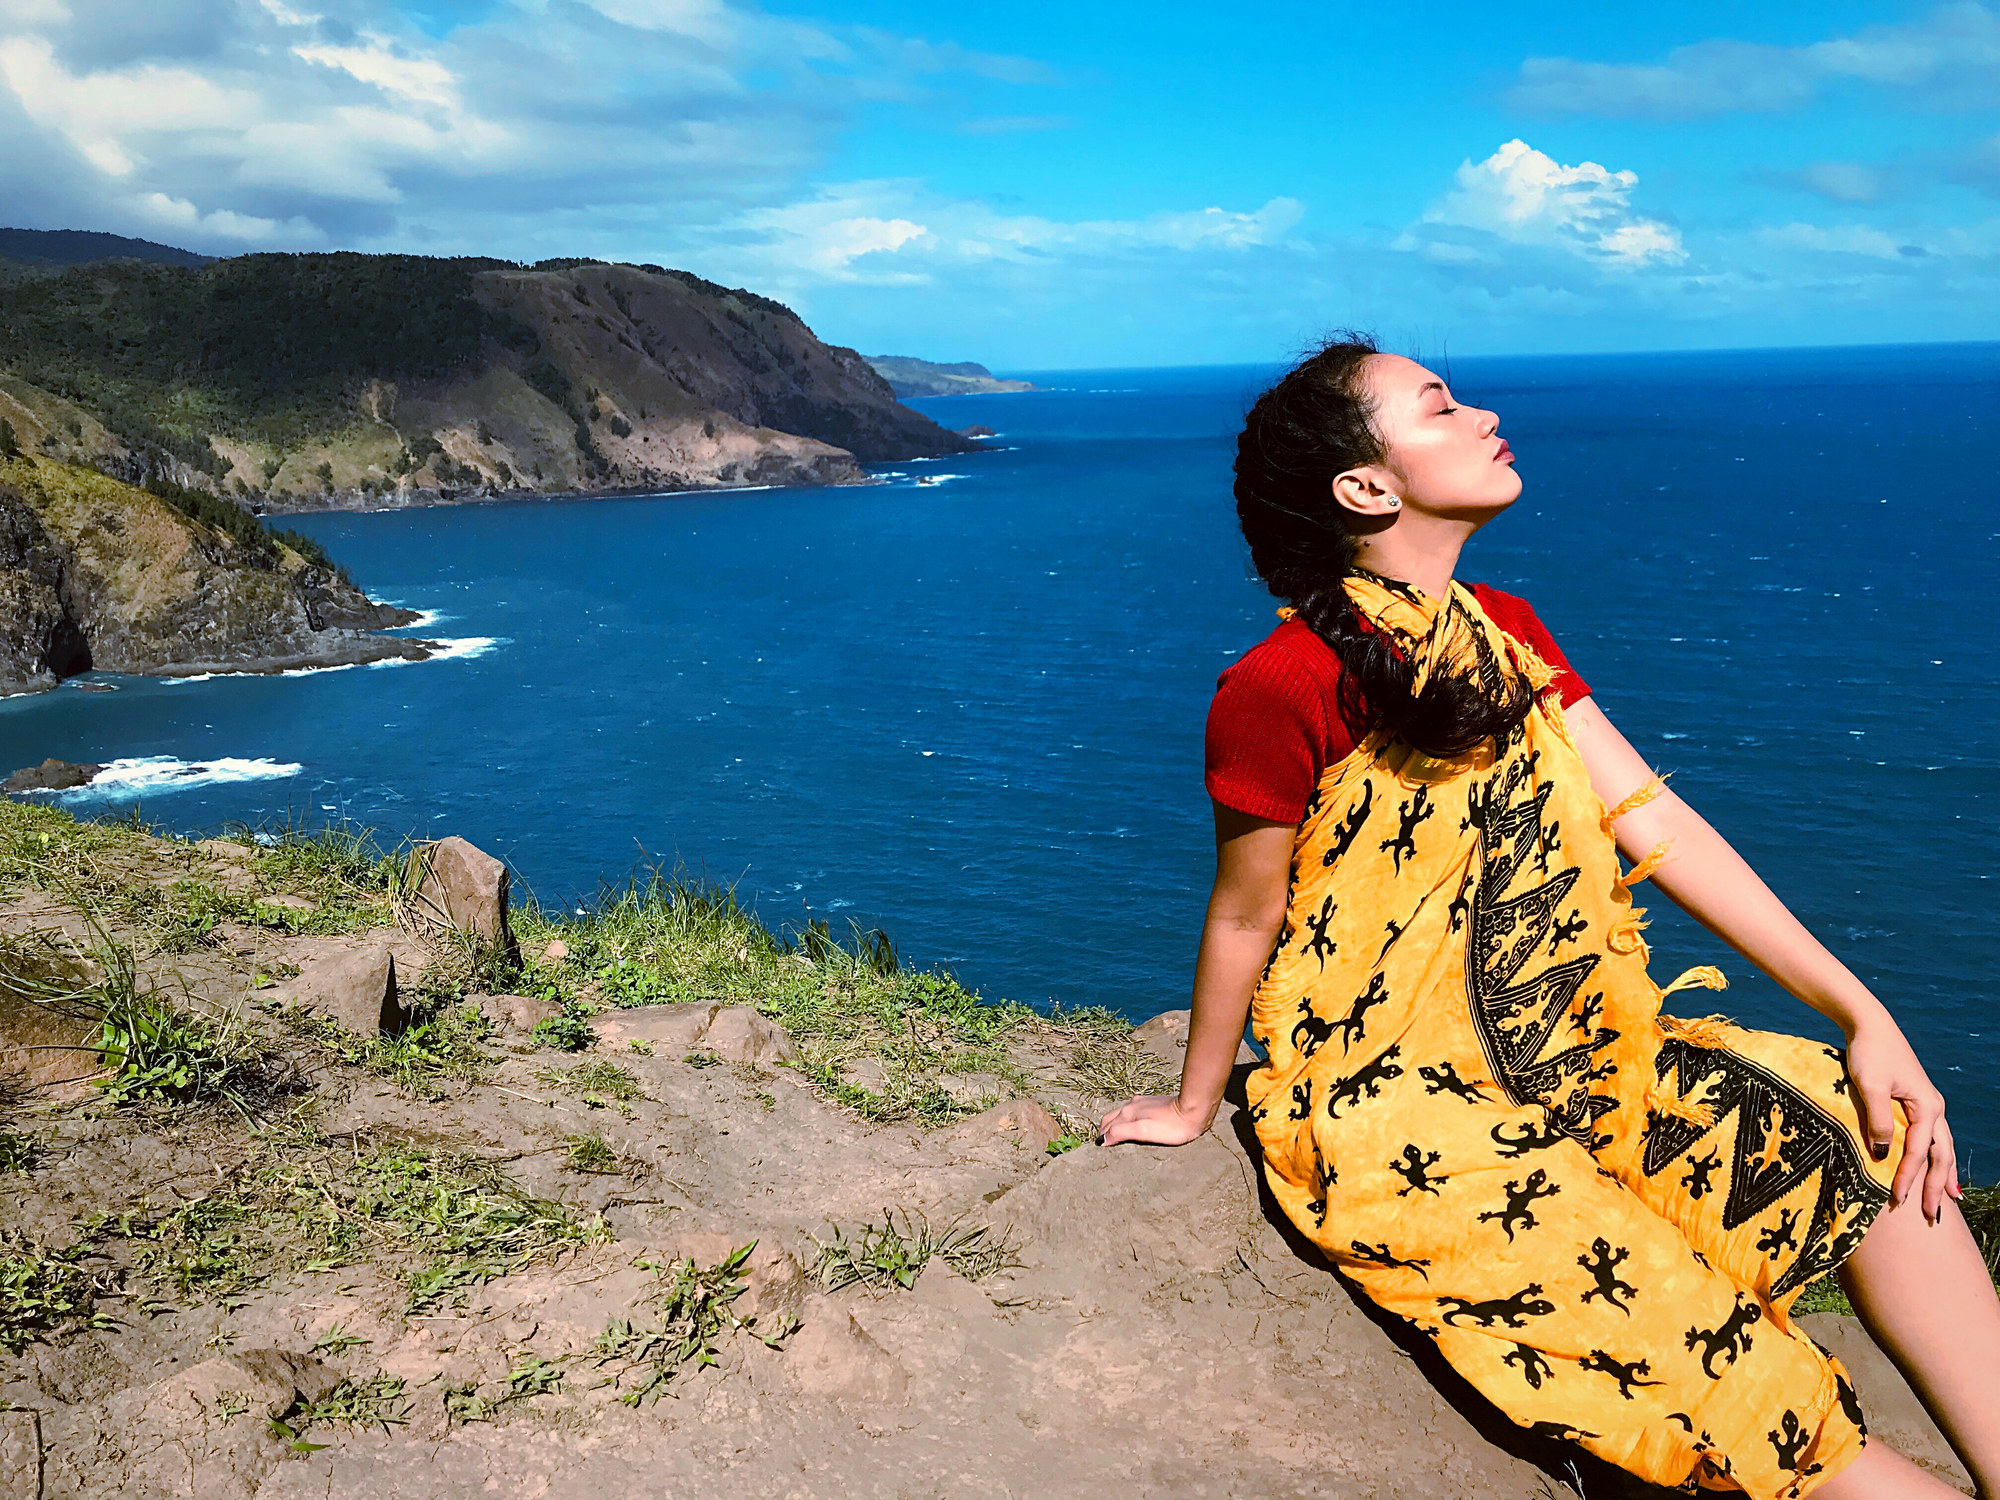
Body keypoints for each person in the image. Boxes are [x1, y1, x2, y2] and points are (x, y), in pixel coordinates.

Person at [1098, 335, 1999, 1500]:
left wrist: (1860, 1013)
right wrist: (1191, 1100)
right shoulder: (1278, 687)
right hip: (1402, 1108)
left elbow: (1650, 821)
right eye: (1436, 405)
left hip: (1578, 1055)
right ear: (1366, 488)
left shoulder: (1506, 631)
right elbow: (1243, 916)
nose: (1478, 414)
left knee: (1860, 1138)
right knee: (1727, 1376)